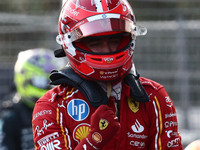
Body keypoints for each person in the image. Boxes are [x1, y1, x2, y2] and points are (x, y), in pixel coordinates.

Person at [32, 0, 183, 149]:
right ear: (70, 43)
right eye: (95, 43)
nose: (107, 51)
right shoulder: (52, 106)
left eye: (114, 41)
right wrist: (94, 140)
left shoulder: (154, 97)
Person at [0, 48, 65, 150]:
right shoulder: (10, 117)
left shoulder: (63, 109)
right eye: (41, 80)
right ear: (24, 78)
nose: (47, 86)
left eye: (50, 81)